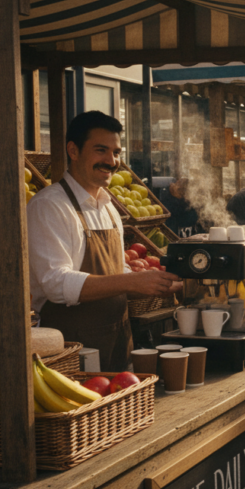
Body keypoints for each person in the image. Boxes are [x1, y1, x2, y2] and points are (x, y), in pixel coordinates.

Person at [28, 111, 182, 372]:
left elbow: (116, 272)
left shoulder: (108, 207)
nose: (111, 161)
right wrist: (133, 280)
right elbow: (56, 284)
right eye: (101, 150)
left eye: (116, 152)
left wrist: (157, 285)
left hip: (118, 342)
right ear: (73, 151)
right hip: (70, 350)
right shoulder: (49, 206)